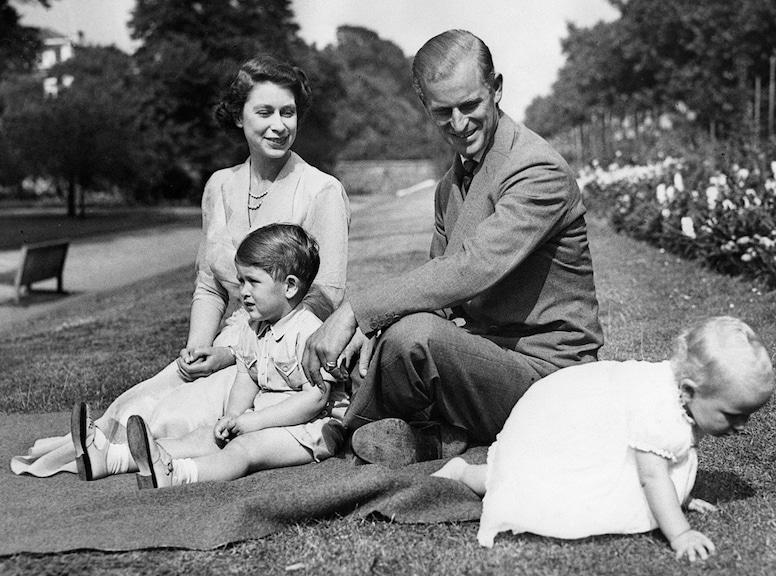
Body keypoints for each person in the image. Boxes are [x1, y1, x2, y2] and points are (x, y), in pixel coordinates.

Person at [11, 54, 350, 479]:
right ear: (239, 116)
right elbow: (209, 284)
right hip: (226, 341)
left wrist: (232, 354)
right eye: (264, 112)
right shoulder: (219, 185)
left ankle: (113, 457)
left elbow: (325, 296)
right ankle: (100, 450)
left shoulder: (321, 190)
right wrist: (197, 351)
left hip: (282, 355)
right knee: (138, 401)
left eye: (288, 112)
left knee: (172, 416)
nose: (279, 125)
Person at [302, 29, 603, 465]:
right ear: (425, 105)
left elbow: (471, 268)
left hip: (552, 378)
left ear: (496, 89)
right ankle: (427, 434)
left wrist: (358, 311)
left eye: (470, 105)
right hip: (485, 357)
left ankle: (346, 430)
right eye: (443, 112)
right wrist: (375, 330)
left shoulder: (536, 169)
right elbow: (440, 298)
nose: (459, 124)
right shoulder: (450, 186)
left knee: (414, 337)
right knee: (396, 336)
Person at [432, 316, 775, 562]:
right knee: (535, 484)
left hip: (596, 425)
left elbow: (671, 460)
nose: (742, 425)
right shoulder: (660, 411)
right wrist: (680, 532)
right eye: (733, 415)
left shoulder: (684, 400)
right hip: (570, 427)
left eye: (747, 415)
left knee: (544, 479)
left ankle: (475, 473)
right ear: (689, 391)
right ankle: (464, 472)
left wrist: (681, 495)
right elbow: (653, 476)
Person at [123, 224, 348, 488]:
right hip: (265, 418)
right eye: (241, 281)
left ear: (289, 286)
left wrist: (255, 421)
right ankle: (118, 457)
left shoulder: (310, 332)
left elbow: (315, 399)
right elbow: (246, 376)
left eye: (253, 281)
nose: (243, 292)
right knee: (206, 435)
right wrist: (232, 415)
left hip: (312, 428)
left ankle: (177, 474)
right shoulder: (253, 327)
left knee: (243, 448)